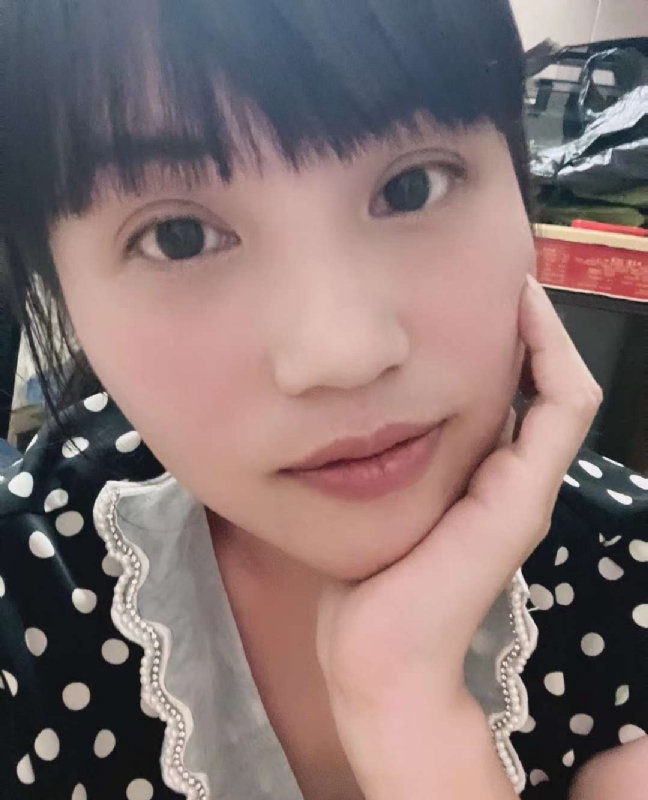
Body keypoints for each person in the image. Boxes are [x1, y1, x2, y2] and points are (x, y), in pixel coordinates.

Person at [1, 1, 646, 799]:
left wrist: (407, 707)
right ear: (60, 293)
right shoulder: (25, 596)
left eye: (411, 186)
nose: (342, 355)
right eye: (178, 237)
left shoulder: (627, 579)